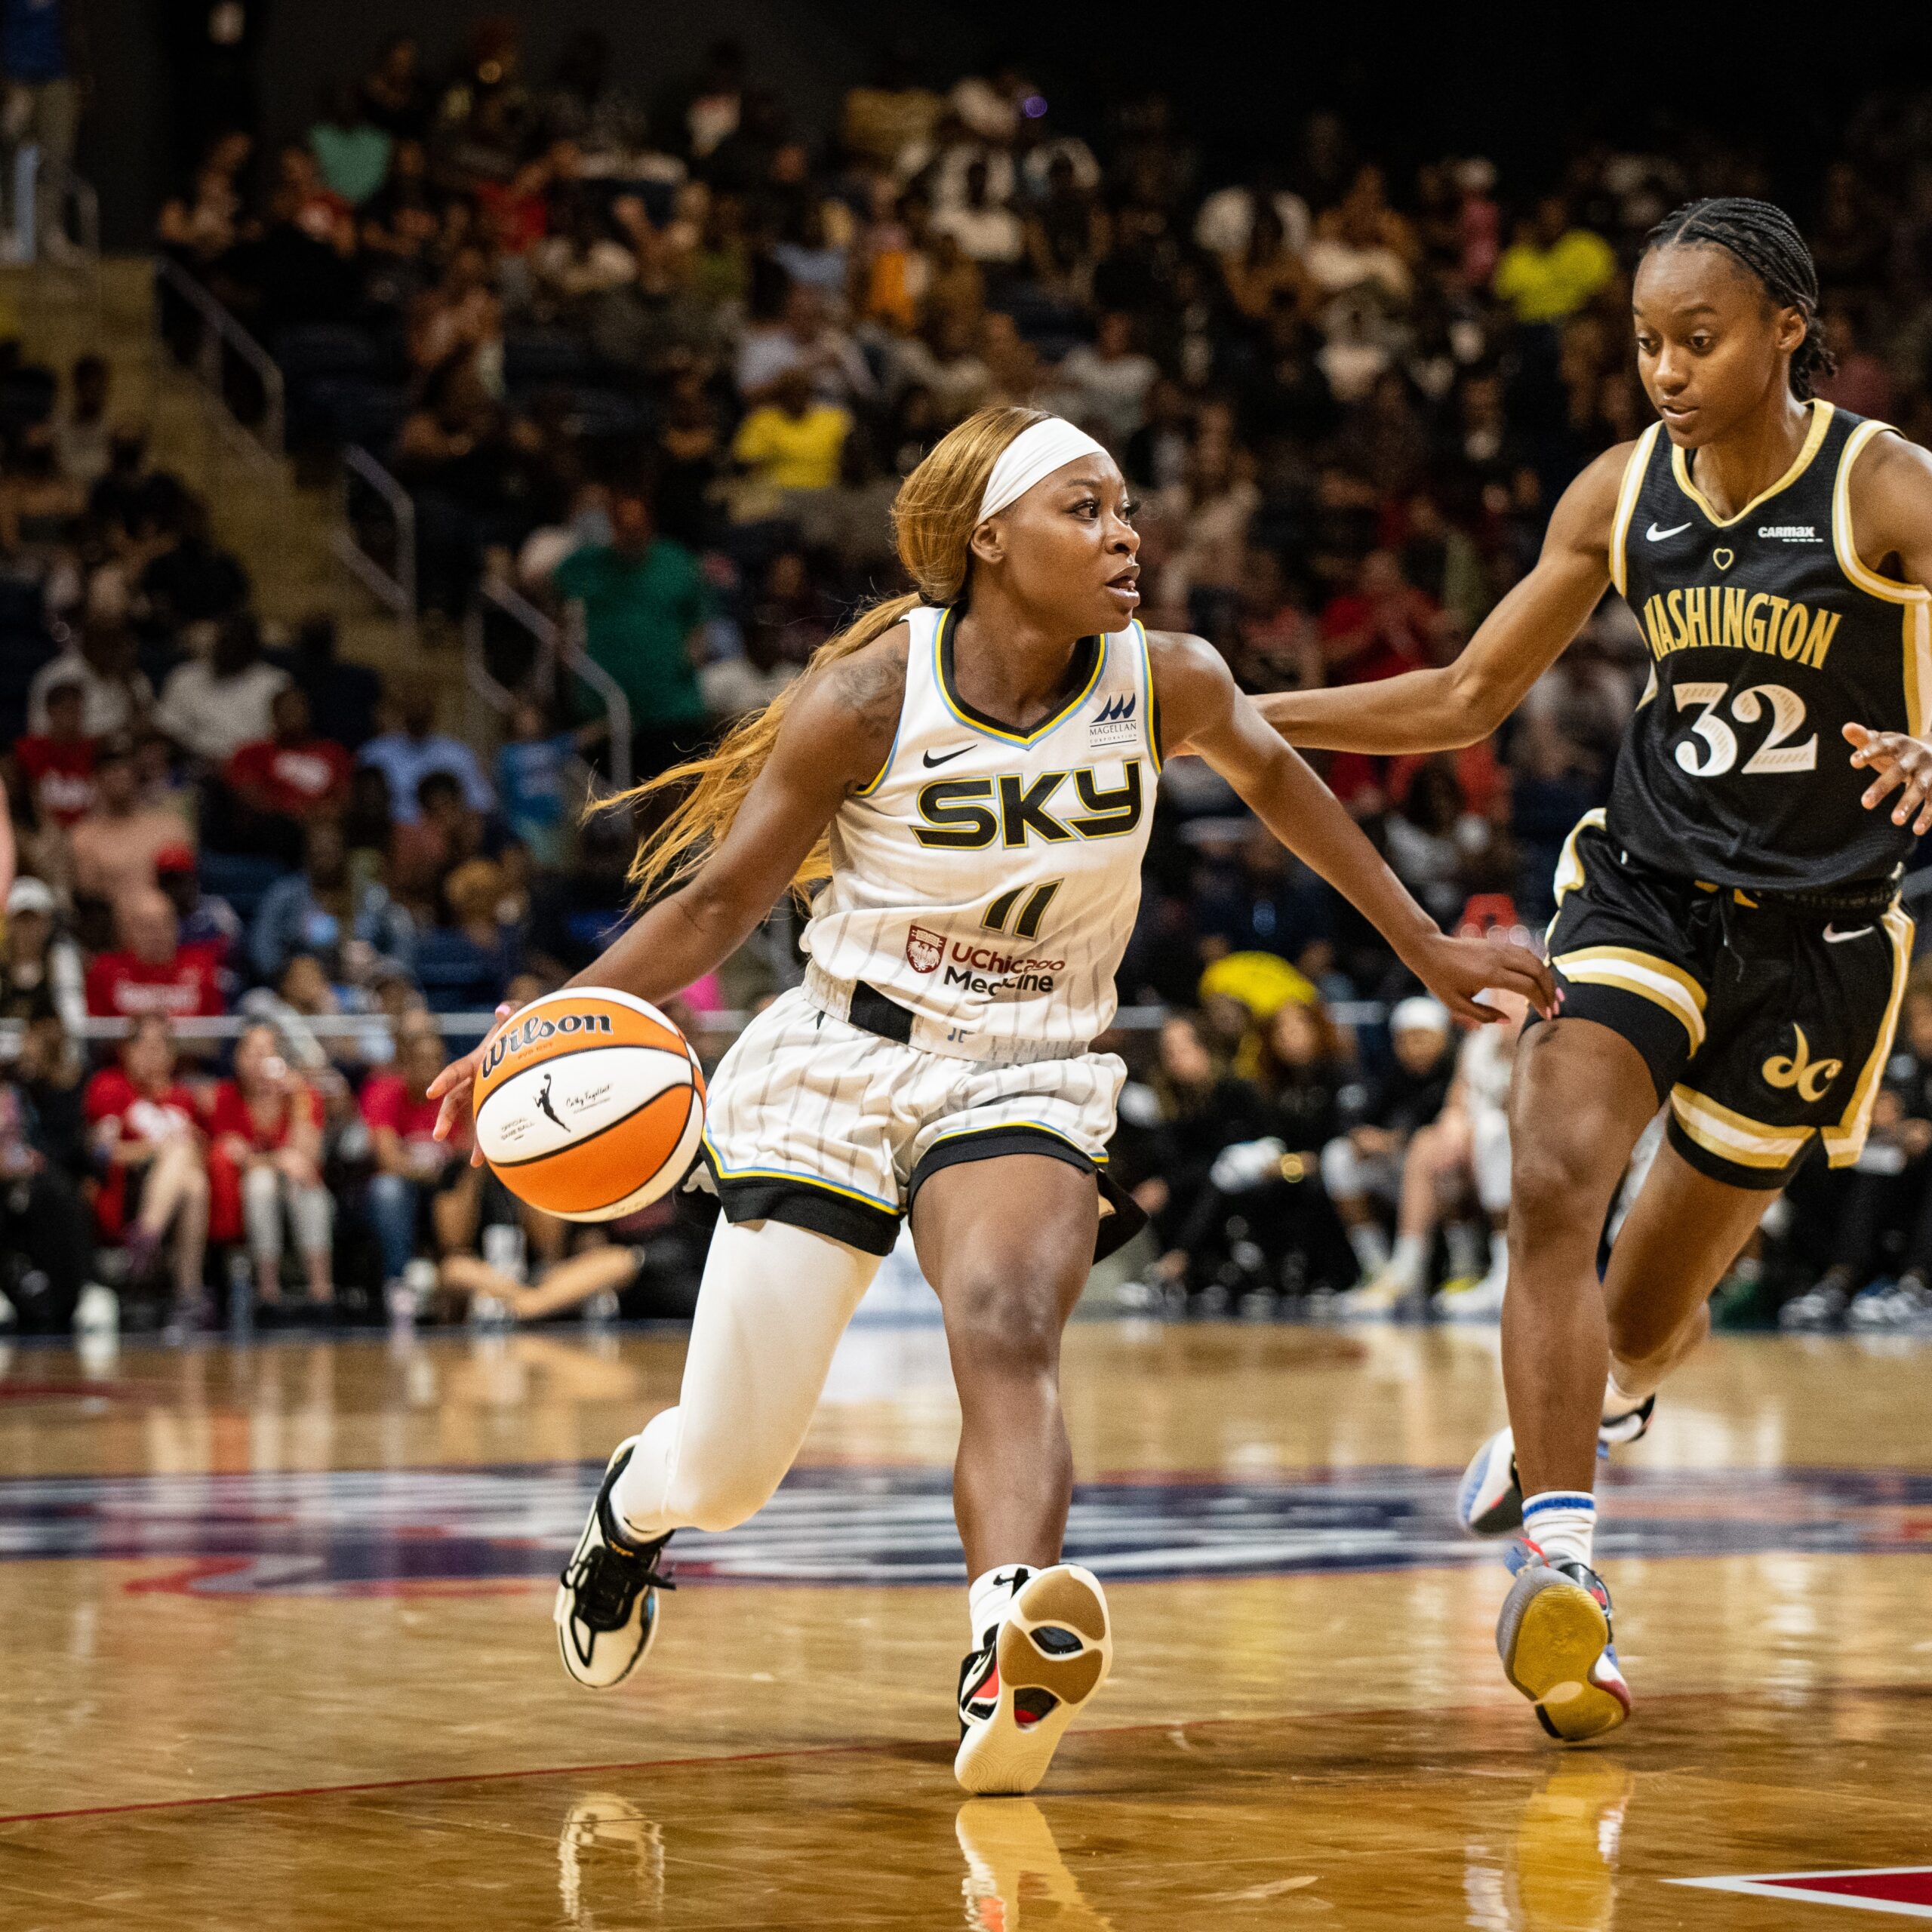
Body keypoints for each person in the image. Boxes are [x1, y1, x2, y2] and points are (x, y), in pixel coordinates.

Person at [426, 407, 1549, 1795]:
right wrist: (544, 1021)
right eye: (1087, 510)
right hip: (843, 1058)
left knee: (1009, 1321)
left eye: (1126, 509)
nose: (1126, 535)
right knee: (728, 1473)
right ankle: (633, 1509)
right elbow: (718, 904)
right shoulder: (867, 697)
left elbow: (1286, 787)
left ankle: (1006, 1638)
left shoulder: (1170, 680)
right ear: (991, 541)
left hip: (1031, 1061)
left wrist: (1427, 946)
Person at [1257, 198, 1932, 1744]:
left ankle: (1602, 1397)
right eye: (1645, 344)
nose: (1666, 371)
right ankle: (1562, 1567)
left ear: (1785, 329)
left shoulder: (1882, 484)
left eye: (1698, 339)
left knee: (1645, 1311)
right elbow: (1463, 694)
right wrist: (1232, 714)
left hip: (1820, 943)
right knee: (1554, 1177)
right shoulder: (1621, 492)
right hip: (1644, 890)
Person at [82, 1015, 210, 1323]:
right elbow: (103, 1153)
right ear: (126, 1050)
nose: (153, 1054)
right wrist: (157, 1150)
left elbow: (201, 1153)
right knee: (180, 1154)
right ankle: (187, 1289)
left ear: (172, 1054)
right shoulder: (110, 1087)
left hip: (176, 1193)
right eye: (144, 1045)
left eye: (161, 1046)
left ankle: (150, 1242)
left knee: (195, 1183)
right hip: (128, 1189)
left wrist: (182, 1150)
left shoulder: (182, 1097)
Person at [205, 1020, 332, 1309]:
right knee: (260, 1184)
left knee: (305, 1187)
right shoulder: (225, 1097)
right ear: (237, 1058)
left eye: (266, 1053)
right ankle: (268, 1293)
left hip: (298, 1186)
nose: (258, 1062)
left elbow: (307, 1159)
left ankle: (322, 1293)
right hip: (244, 1195)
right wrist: (277, 1160)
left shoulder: (303, 1095)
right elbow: (234, 1156)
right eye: (251, 1052)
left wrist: (298, 1099)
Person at [66, 734, 191, 906]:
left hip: (167, 920)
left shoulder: (170, 827)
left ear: (137, 773)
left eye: (124, 766)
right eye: (109, 768)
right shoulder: (83, 837)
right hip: (113, 920)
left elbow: (185, 891)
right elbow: (90, 903)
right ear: (97, 778)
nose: (118, 774)